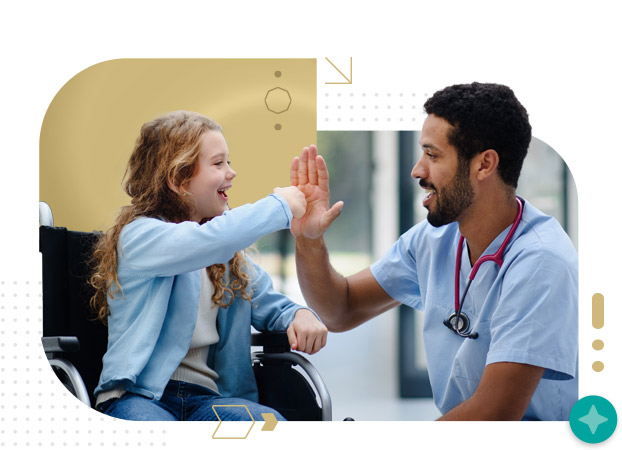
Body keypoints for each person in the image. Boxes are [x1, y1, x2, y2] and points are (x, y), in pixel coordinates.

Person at [291, 82, 577, 421]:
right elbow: (340, 309)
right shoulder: (432, 240)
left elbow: (495, 414)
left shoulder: (541, 262)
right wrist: (309, 239)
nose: (417, 171)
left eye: (432, 154)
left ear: (484, 164)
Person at [89, 110, 327, 421]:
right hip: (141, 397)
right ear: (177, 178)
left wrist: (300, 314)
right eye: (218, 163)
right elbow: (204, 242)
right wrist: (280, 205)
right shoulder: (141, 237)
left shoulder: (226, 258)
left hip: (209, 401)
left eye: (228, 162)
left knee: (271, 426)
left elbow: (271, 304)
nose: (232, 173)